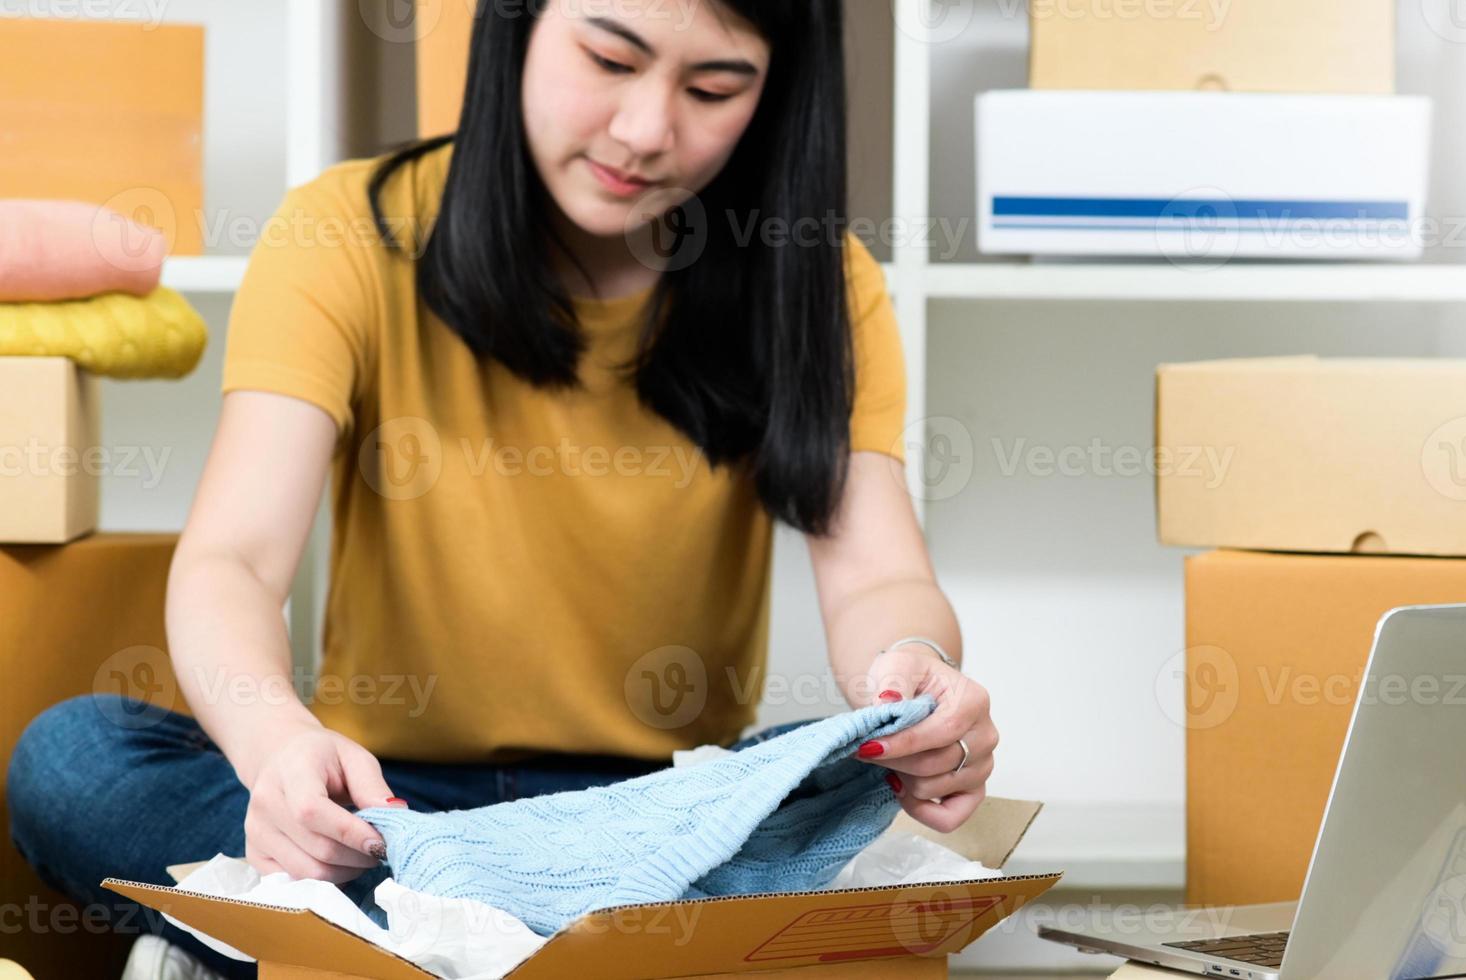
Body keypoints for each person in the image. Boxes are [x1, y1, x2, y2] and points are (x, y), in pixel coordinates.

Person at [7, 2, 998, 977]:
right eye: (610, 58)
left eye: (712, 88)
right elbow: (233, 558)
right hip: (384, 802)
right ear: (514, 27)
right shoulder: (344, 231)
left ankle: (337, 940)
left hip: (656, 813)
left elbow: (876, 578)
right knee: (75, 759)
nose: (646, 130)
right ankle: (547, 941)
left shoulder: (816, 280)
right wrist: (277, 747)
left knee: (840, 777)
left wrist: (910, 675)